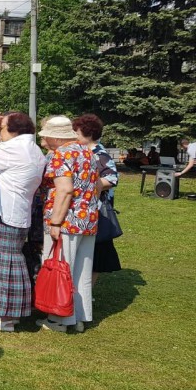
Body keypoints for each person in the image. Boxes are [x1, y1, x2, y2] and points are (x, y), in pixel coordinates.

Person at [0, 112, 46, 332]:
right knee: (10, 264)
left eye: (2, 128)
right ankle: (3, 313)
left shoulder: (12, 148)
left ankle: (5, 317)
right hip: (17, 214)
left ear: (14, 130)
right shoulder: (33, 149)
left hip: (2, 215)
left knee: (2, 266)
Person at [36, 116, 99, 333]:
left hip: (66, 219)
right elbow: (97, 185)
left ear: (55, 136)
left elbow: (65, 189)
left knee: (61, 269)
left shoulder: (61, 154)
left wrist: (55, 222)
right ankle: (80, 317)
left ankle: (60, 318)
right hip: (87, 219)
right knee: (81, 270)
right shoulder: (87, 151)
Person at [73, 114, 121, 284]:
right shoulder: (82, 152)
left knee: (97, 252)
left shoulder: (99, 154)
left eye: (77, 133)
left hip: (97, 210)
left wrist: (90, 185)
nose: (74, 137)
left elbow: (112, 178)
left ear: (88, 134)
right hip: (86, 209)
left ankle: (87, 289)